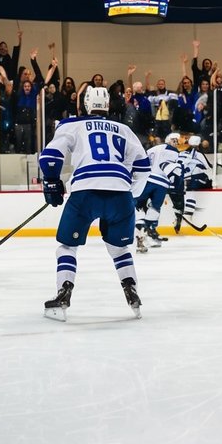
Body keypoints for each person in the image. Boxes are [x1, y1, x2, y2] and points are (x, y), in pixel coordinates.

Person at [37, 86, 150, 321]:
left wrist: (51, 182)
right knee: (119, 250)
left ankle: (63, 294)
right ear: (107, 105)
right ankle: (132, 293)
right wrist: (132, 195)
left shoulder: (71, 124)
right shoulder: (124, 129)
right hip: (120, 195)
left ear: (85, 103)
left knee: (67, 247)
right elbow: (142, 167)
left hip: (85, 194)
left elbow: (50, 157)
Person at [134, 131, 184, 249]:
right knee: (154, 208)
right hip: (161, 183)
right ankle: (149, 230)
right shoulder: (173, 151)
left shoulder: (153, 149)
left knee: (139, 205)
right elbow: (171, 169)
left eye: (177, 141)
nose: (176, 143)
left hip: (147, 180)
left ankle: (142, 228)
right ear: (169, 140)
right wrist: (177, 186)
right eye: (174, 140)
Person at [176, 134, 212, 231]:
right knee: (194, 188)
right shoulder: (198, 154)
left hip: (180, 179)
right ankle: (188, 213)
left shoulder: (181, 153)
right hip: (194, 178)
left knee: (187, 190)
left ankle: (180, 214)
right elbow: (209, 167)